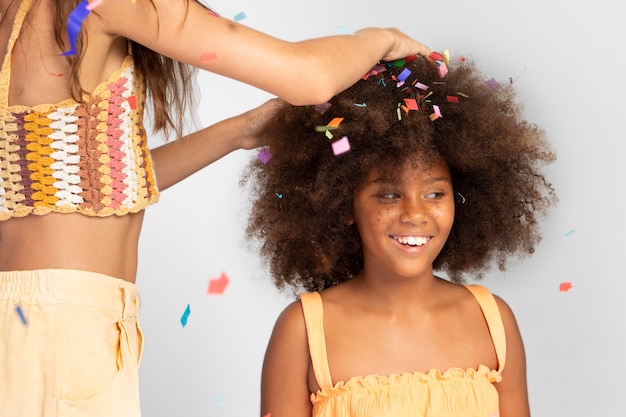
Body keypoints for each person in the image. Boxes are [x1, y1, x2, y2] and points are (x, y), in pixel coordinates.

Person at [0, 0, 431, 416]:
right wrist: (381, 39)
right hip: (65, 324)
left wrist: (239, 133)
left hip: (28, 315)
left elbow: (82, 187)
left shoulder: (21, 11)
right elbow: (310, 77)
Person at [243, 52, 556, 417]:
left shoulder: (493, 320)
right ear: (345, 204)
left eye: (435, 193)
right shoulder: (302, 330)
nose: (415, 213)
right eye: (389, 194)